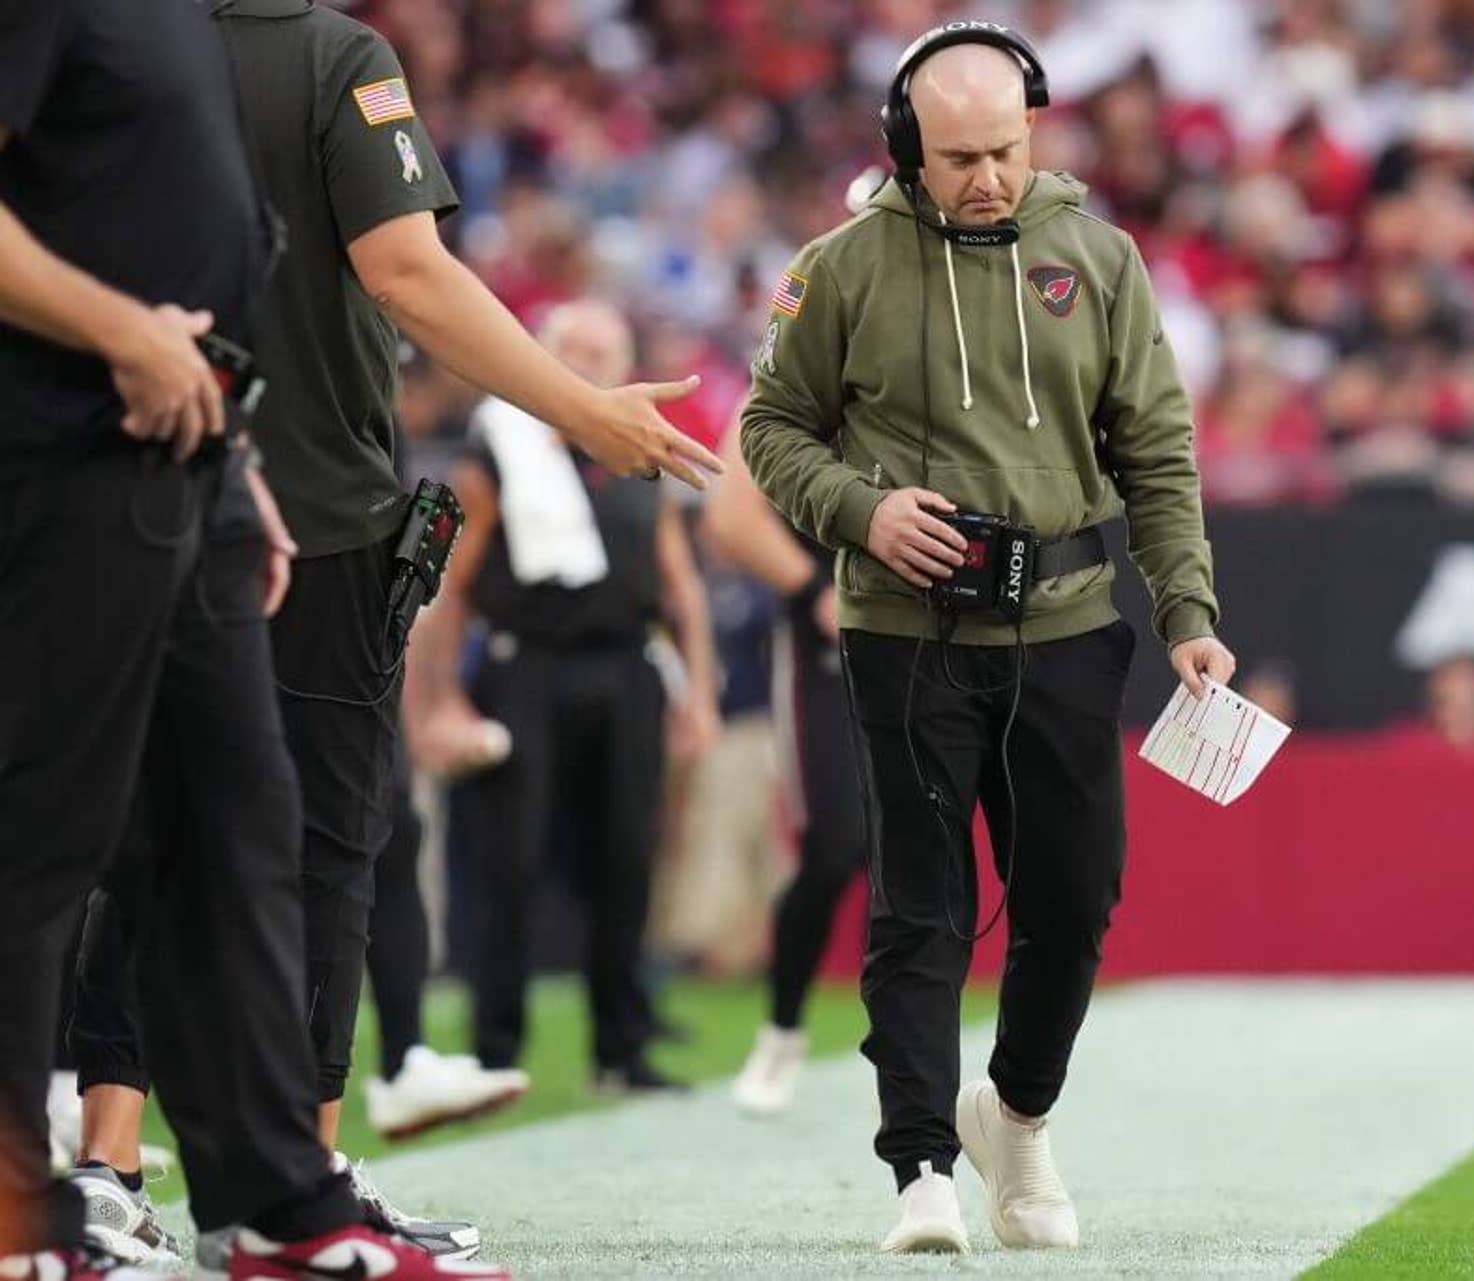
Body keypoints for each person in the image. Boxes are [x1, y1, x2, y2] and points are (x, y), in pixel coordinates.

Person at [60, 1, 721, 1271]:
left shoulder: (121, 41)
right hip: (315, 511)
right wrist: (580, 407)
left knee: (147, 840)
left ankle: (104, 1164)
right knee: (328, 849)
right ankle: (297, 1191)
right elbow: (406, 270)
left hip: (139, 499)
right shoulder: (335, 58)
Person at [0, 3, 508, 1278]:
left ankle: (276, 1206)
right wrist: (117, 334)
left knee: (235, 832)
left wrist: (240, 471)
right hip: (54, 455)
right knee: (47, 838)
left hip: (201, 464)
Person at [741, 22, 1234, 1255]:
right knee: (921, 906)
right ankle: (920, 1168)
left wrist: (1188, 611)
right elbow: (771, 426)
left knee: (1074, 900)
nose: (986, 178)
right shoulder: (841, 265)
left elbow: (1158, 452)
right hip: (903, 633)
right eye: (957, 156)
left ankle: (1013, 1116)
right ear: (905, 148)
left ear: (1036, 131)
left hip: (1068, 626)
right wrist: (861, 510)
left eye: (1004, 150)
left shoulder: (1100, 258)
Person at [411, 300, 721, 1096]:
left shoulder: (637, 450)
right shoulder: (499, 445)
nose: (586, 360)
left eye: (601, 348)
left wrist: (697, 693)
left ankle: (622, 1048)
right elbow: (453, 588)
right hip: (526, 669)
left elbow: (679, 584)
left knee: (625, 859)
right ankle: (493, 1050)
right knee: (509, 862)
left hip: (625, 671)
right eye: (571, 348)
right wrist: (438, 698)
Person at [703, 417, 869, 1117]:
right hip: (824, 644)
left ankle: (909, 1045)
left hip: (928, 636)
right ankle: (781, 1028)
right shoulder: (794, 361)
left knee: (921, 848)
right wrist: (811, 589)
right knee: (836, 845)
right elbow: (730, 515)